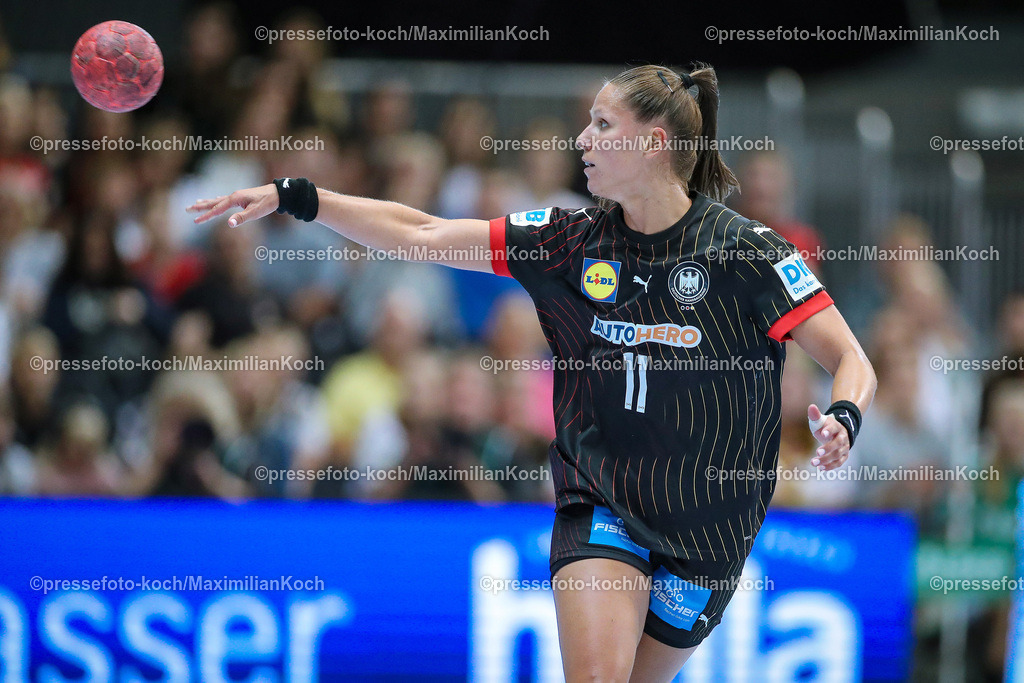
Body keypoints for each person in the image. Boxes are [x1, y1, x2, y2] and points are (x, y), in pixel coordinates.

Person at [189, 63, 876, 683]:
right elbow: (421, 232)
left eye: (603, 124)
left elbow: (850, 359)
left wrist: (844, 417)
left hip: (710, 531)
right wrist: (301, 196)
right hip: (602, 503)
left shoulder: (747, 253)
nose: (584, 138)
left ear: (654, 143)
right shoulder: (565, 241)